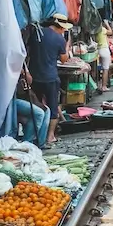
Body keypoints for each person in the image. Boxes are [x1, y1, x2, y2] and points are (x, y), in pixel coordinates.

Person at [27, 14, 71, 145]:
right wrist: (67, 46)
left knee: (37, 106)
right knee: (52, 107)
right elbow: (64, 59)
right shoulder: (59, 39)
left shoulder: (36, 33)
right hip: (50, 77)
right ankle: (50, 136)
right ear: (60, 27)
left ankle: (37, 134)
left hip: (34, 76)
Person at [14, 63, 50, 148]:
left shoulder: (22, 63)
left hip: (25, 97)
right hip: (13, 99)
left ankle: (40, 143)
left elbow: (30, 80)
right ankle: (27, 142)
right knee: (39, 113)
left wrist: (24, 72)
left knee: (47, 110)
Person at [96, 21, 111, 93]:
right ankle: (104, 86)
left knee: (98, 68)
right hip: (104, 49)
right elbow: (110, 32)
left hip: (98, 50)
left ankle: (98, 85)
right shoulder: (102, 29)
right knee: (105, 69)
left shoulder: (94, 30)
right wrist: (107, 24)